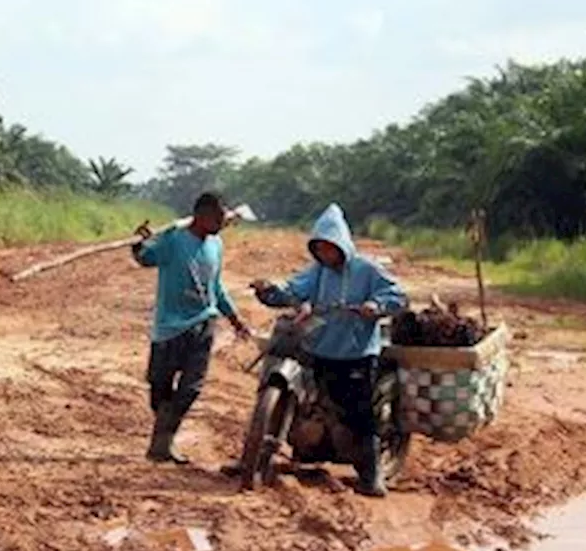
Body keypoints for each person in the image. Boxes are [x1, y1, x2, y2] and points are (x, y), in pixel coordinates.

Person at [249, 202, 407, 497]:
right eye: (318, 249)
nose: (324, 254)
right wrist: (269, 290)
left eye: (329, 248)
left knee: (360, 415)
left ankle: (371, 476)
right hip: (320, 348)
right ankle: (257, 453)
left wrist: (376, 306)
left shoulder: (367, 269)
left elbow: (397, 294)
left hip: (357, 353)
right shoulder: (317, 272)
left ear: (342, 245)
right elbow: (293, 289)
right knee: (304, 395)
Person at [133, 192, 250, 464]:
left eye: (225, 217)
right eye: (219, 217)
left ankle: (162, 443)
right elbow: (146, 259)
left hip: (203, 322)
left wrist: (234, 318)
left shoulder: (216, 245)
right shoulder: (173, 239)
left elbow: (216, 287)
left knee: (191, 388)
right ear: (202, 216)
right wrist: (140, 243)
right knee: (158, 387)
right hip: (169, 327)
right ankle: (162, 440)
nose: (224, 222)